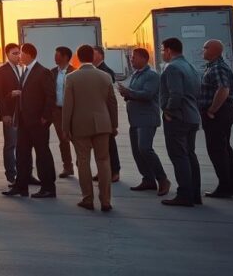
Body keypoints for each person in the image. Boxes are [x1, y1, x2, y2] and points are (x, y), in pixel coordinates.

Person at [63, 44, 119, 212]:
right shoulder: (105, 76)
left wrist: (65, 127)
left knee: (83, 161)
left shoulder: (71, 78)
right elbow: (112, 103)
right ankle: (106, 200)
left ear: (78, 57)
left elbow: (68, 105)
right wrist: (114, 125)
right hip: (102, 124)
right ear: (93, 57)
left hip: (80, 125)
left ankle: (88, 198)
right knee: (104, 161)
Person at [3, 42, 57, 198]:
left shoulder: (43, 72)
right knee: (22, 154)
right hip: (24, 122)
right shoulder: (26, 71)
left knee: (42, 155)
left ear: (28, 54)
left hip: (38, 122)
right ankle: (21, 187)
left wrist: (45, 117)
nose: (19, 56)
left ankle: (48, 188)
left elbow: (50, 96)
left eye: (21, 53)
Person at [118, 48, 171, 196]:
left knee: (145, 148)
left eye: (134, 57)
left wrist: (129, 92)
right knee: (137, 151)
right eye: (131, 57)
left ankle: (162, 179)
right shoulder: (136, 74)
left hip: (146, 119)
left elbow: (148, 94)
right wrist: (126, 94)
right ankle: (148, 179)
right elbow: (136, 93)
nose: (131, 60)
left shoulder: (151, 75)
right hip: (135, 119)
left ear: (143, 58)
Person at [159, 37, 203, 207]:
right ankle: (194, 194)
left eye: (162, 50)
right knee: (190, 155)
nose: (162, 54)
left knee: (179, 156)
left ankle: (184, 194)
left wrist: (169, 111)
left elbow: (176, 94)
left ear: (169, 50)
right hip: (191, 116)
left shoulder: (172, 67)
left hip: (178, 118)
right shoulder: (190, 66)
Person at [199, 39, 233, 199]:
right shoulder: (213, 66)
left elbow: (223, 89)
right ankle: (232, 185)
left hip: (218, 114)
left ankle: (225, 187)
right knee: (225, 149)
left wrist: (212, 109)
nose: (203, 50)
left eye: (205, 48)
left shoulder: (218, 67)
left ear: (214, 51)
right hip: (222, 113)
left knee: (217, 151)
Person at [0, 43, 23, 185]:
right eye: (14, 53)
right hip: (10, 113)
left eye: (19, 53)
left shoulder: (22, 68)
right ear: (7, 55)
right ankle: (11, 175)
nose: (18, 56)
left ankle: (25, 173)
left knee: (23, 145)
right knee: (10, 145)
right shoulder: (1, 71)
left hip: (22, 113)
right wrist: (5, 113)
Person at [93, 46, 122, 182]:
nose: (91, 56)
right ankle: (103, 171)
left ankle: (115, 171)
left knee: (110, 144)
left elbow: (110, 99)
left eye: (93, 54)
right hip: (96, 114)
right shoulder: (94, 70)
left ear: (100, 55)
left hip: (105, 114)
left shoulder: (106, 72)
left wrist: (114, 123)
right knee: (99, 146)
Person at [50, 46, 77, 178]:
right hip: (57, 111)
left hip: (72, 111)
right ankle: (67, 166)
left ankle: (81, 163)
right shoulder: (52, 72)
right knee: (63, 140)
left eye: (57, 55)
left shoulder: (74, 72)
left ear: (65, 57)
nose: (55, 57)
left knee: (75, 138)